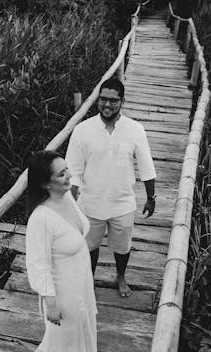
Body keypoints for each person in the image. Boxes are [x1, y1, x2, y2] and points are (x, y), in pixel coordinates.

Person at [13, 150, 99, 352]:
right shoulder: (41, 218)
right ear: (44, 183)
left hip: (79, 279)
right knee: (57, 337)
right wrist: (50, 303)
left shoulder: (67, 197)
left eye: (67, 169)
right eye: (61, 174)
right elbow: (38, 264)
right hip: (62, 289)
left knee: (79, 321)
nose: (69, 175)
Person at [65, 78, 156, 298]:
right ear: (98, 99)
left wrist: (151, 197)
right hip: (90, 202)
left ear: (122, 101)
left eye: (113, 101)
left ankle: (121, 276)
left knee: (122, 247)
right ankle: (89, 282)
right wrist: (69, 204)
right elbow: (73, 171)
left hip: (122, 202)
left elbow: (146, 165)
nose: (107, 105)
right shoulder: (82, 130)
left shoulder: (135, 129)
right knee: (89, 247)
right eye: (103, 99)